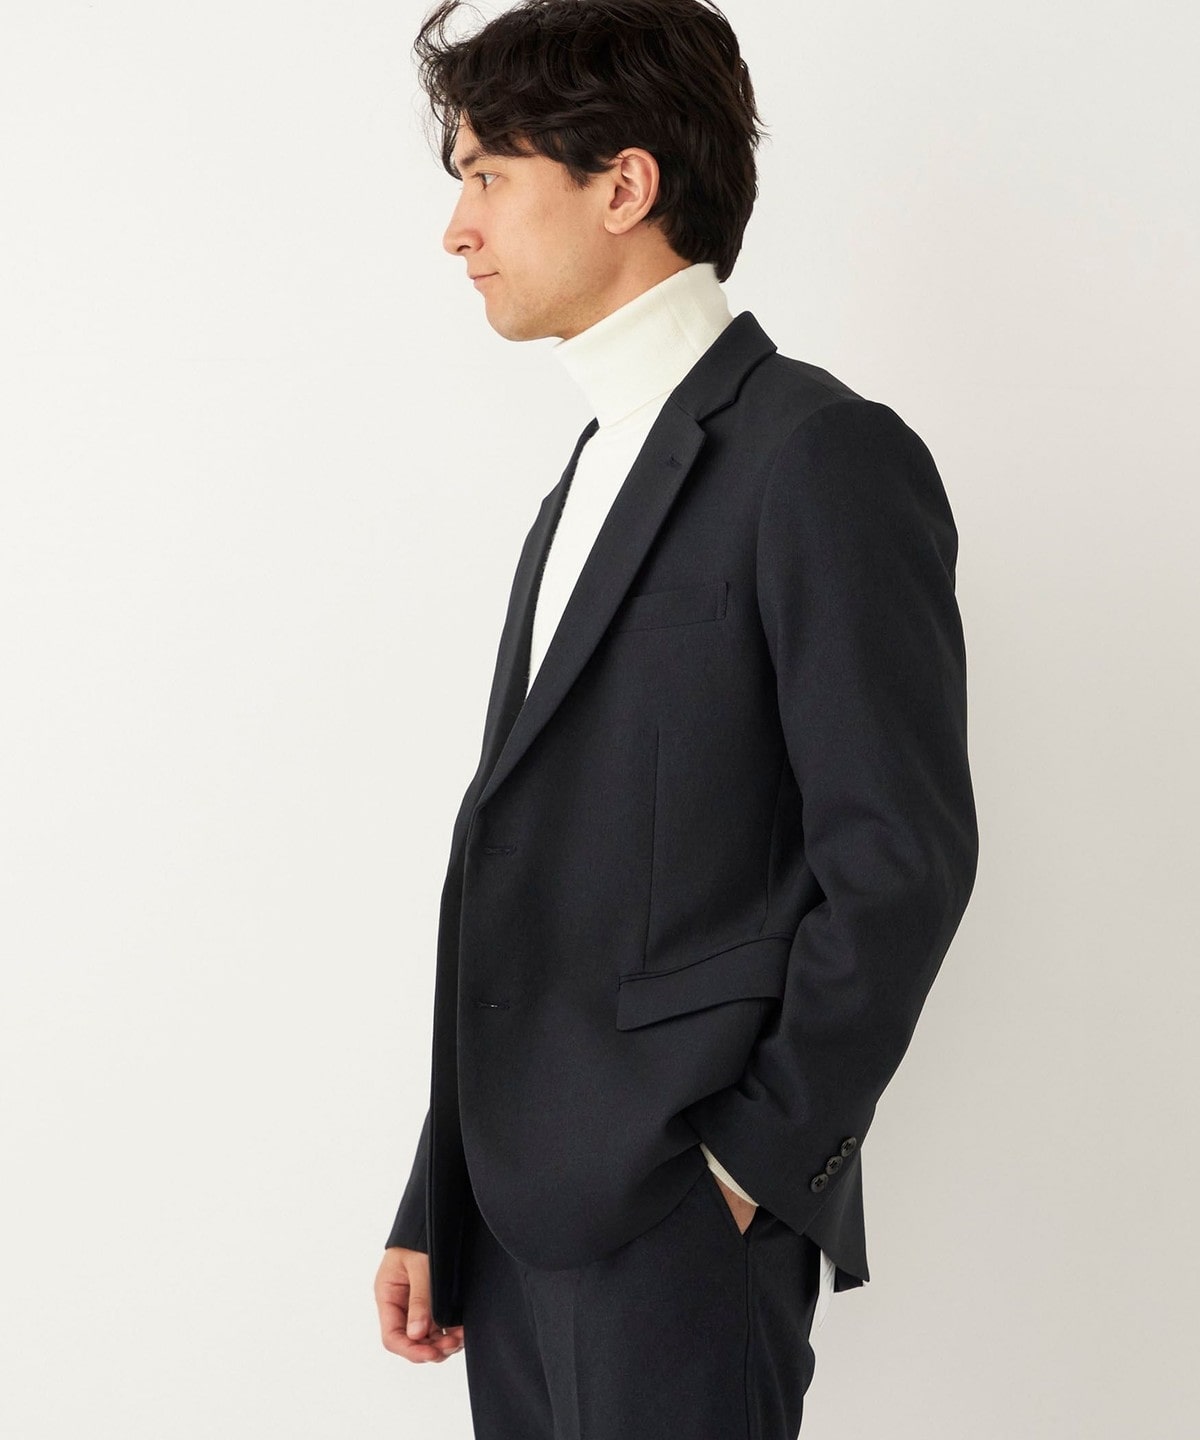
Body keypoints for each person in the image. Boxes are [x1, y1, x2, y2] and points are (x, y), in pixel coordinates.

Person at [373, 2, 979, 1435]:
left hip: (679, 1221)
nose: (457, 231)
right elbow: (521, 874)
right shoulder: (583, 478)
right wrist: (437, 1192)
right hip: (515, 1229)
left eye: (487, 175)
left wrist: (747, 1170)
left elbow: (899, 861)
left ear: (624, 186)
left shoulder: (819, 455)